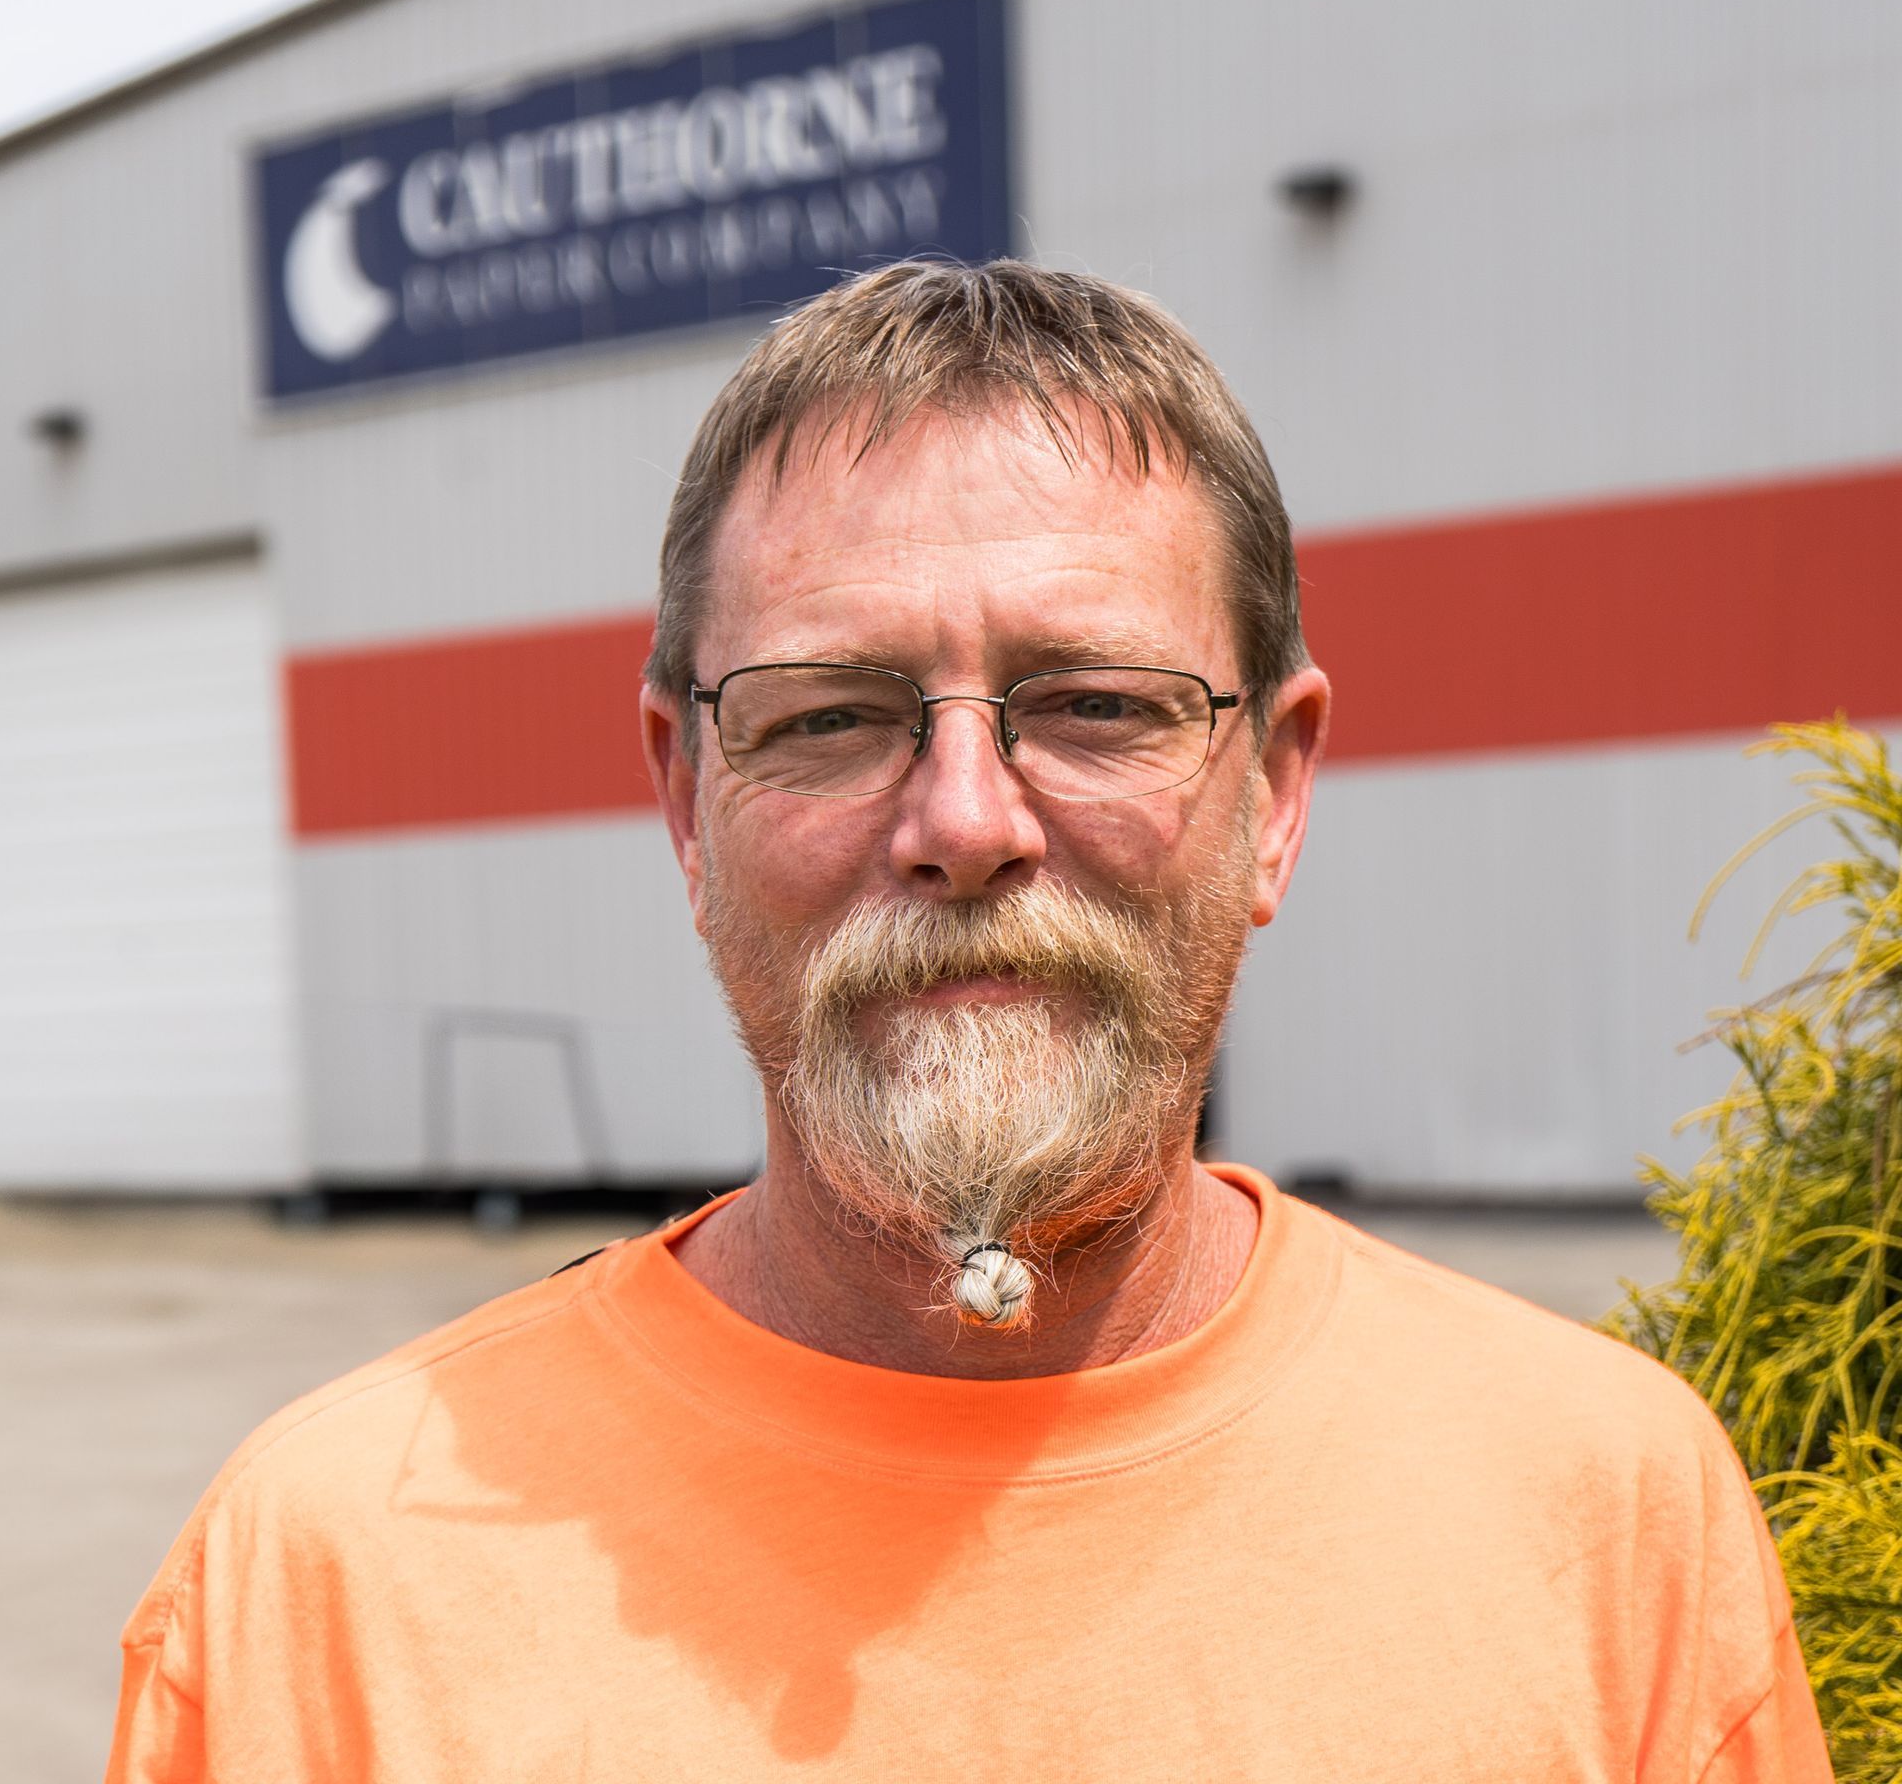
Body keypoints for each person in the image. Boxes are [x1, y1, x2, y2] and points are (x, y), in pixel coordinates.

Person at [105, 260, 1833, 1781]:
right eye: (833, 715)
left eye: (1093, 705)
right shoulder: (322, 1588)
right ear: (688, 799)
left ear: (1278, 791)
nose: (963, 818)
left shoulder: (1604, 1515)